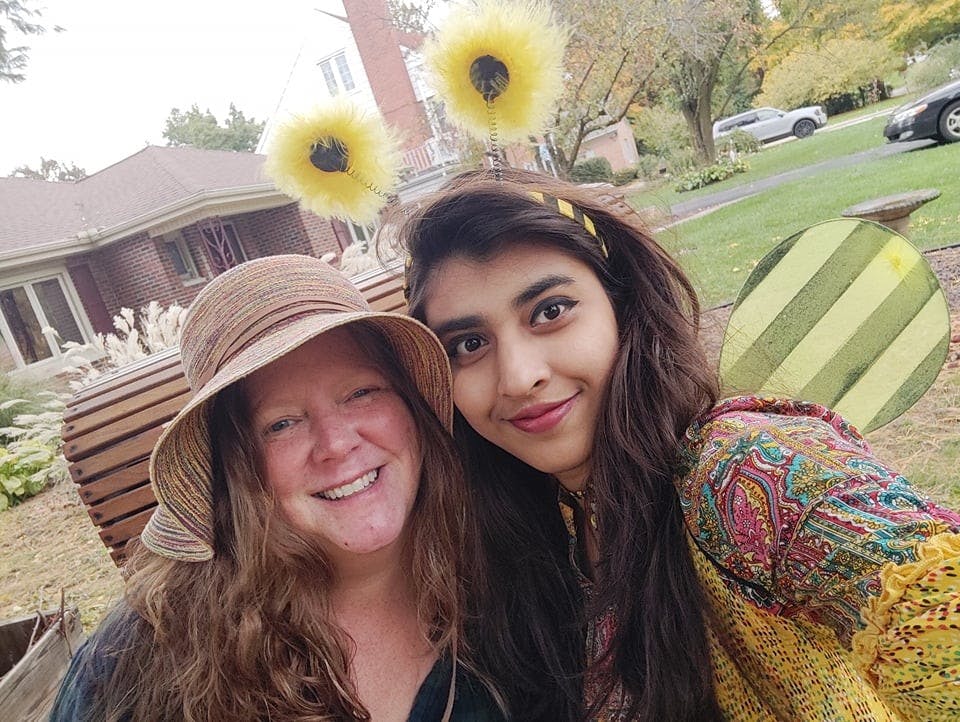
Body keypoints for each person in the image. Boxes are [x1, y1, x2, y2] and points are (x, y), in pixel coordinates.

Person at [396, 168, 960, 721]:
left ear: (623, 305)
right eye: (469, 344)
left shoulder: (746, 471)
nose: (519, 377)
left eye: (550, 311)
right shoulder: (532, 522)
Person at [49, 255, 506, 721]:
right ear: (236, 468)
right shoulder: (139, 660)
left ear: (411, 406)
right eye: (281, 424)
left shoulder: (510, 570)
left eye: (360, 393)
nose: (336, 444)